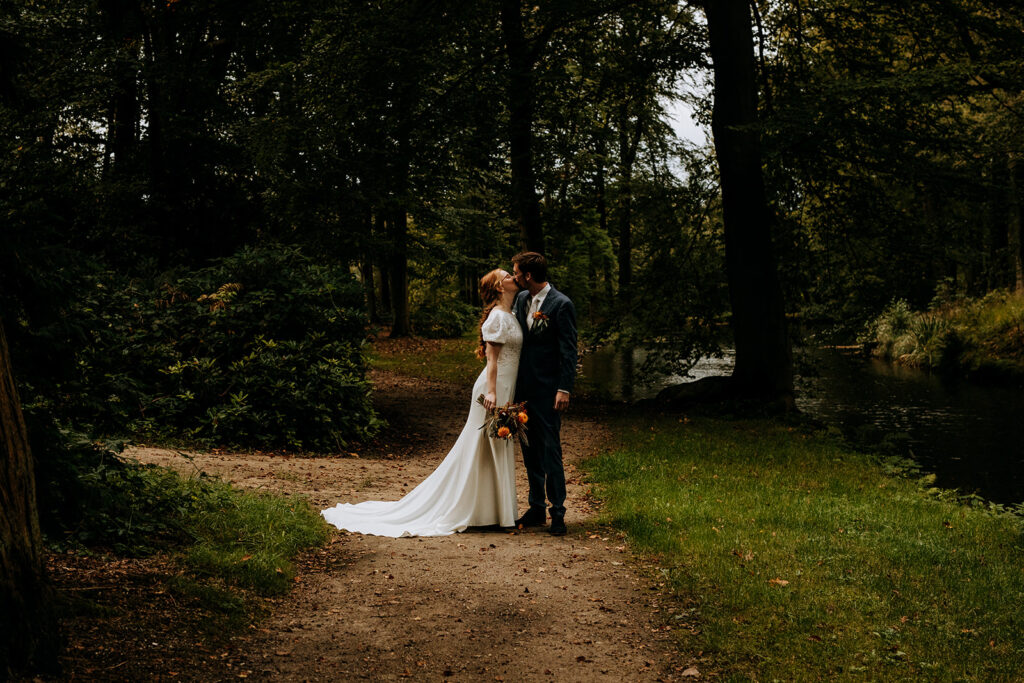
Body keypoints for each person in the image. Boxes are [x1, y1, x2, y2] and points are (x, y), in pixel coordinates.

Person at [321, 269, 522, 536]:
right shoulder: (497, 317)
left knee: (495, 446)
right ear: (499, 286)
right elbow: (492, 361)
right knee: (482, 445)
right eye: (507, 275)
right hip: (492, 389)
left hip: (506, 388)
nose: (512, 277)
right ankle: (474, 509)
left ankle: (494, 510)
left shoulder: (511, 314)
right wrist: (493, 393)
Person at [511, 252, 577, 536]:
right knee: (529, 450)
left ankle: (558, 512)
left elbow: (568, 350)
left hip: (549, 391)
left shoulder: (561, 305)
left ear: (527, 276)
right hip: (522, 390)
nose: (513, 277)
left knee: (551, 451)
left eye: (516, 272)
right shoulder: (521, 300)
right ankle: (536, 507)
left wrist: (564, 388)